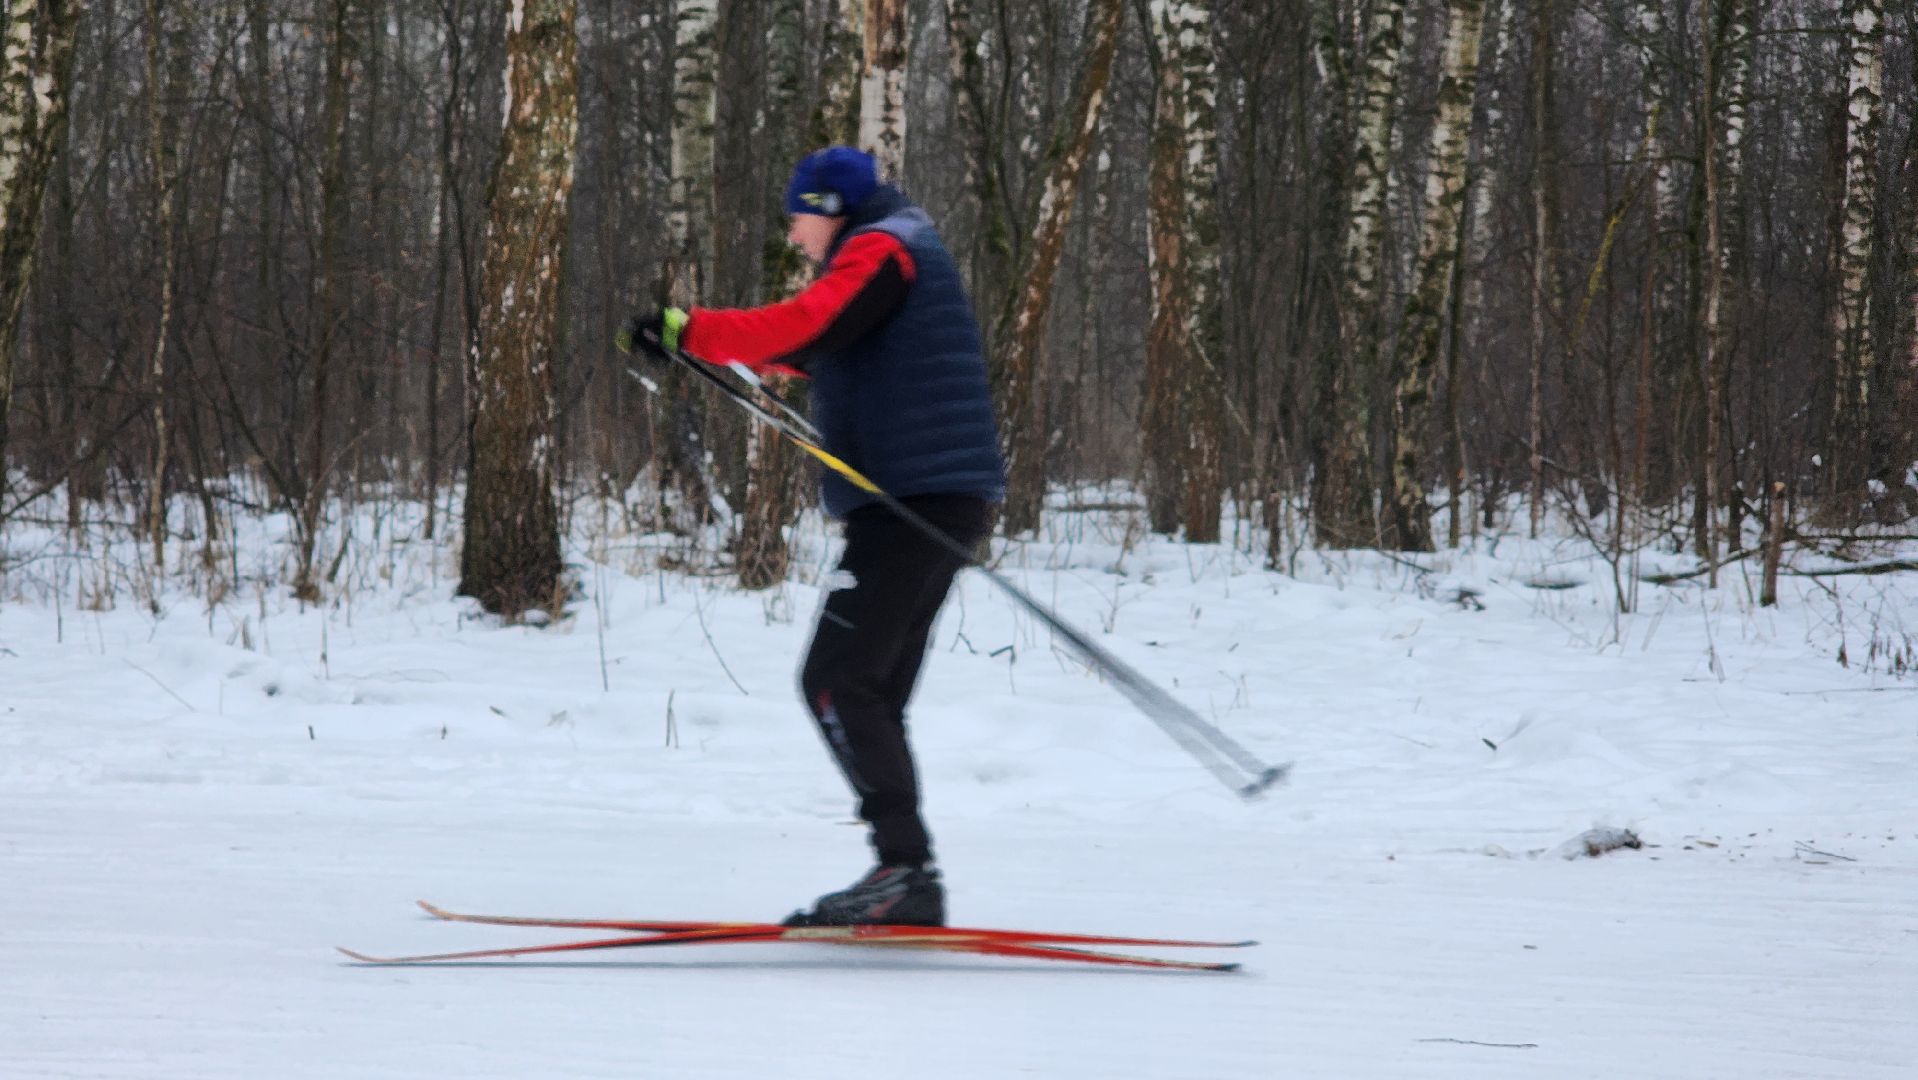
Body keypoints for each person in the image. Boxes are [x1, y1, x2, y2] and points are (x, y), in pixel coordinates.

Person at [619, 146, 1005, 926]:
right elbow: (821, 347)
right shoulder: (897, 249)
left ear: (828, 207)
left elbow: (806, 322)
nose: (795, 238)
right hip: (935, 497)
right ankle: (905, 873)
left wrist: (688, 328)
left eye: (798, 219)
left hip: (914, 502)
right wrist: (704, 347)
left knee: (837, 681)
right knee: (870, 689)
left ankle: (904, 870)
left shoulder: (882, 249)